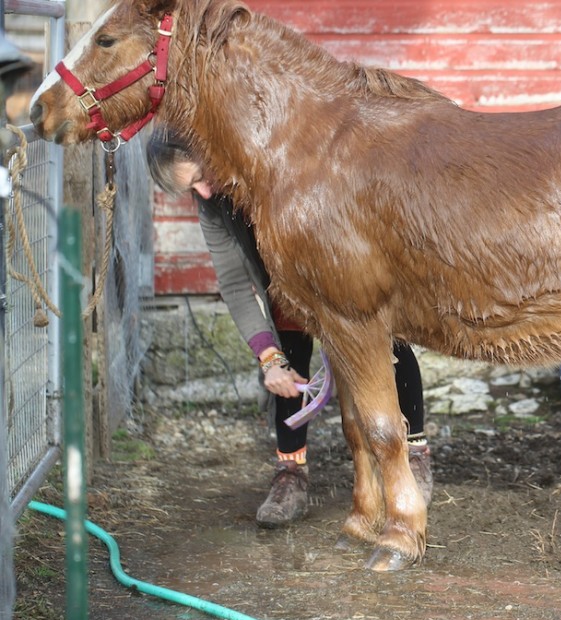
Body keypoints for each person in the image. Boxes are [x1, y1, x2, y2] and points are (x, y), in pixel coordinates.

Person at [146, 125, 432, 527]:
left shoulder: (272, 163)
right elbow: (232, 281)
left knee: (389, 347)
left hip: (344, 272)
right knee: (288, 360)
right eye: (192, 189)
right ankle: (291, 473)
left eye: (199, 178)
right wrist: (268, 357)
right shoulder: (213, 208)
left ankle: (415, 452)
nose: (204, 193)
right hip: (288, 289)